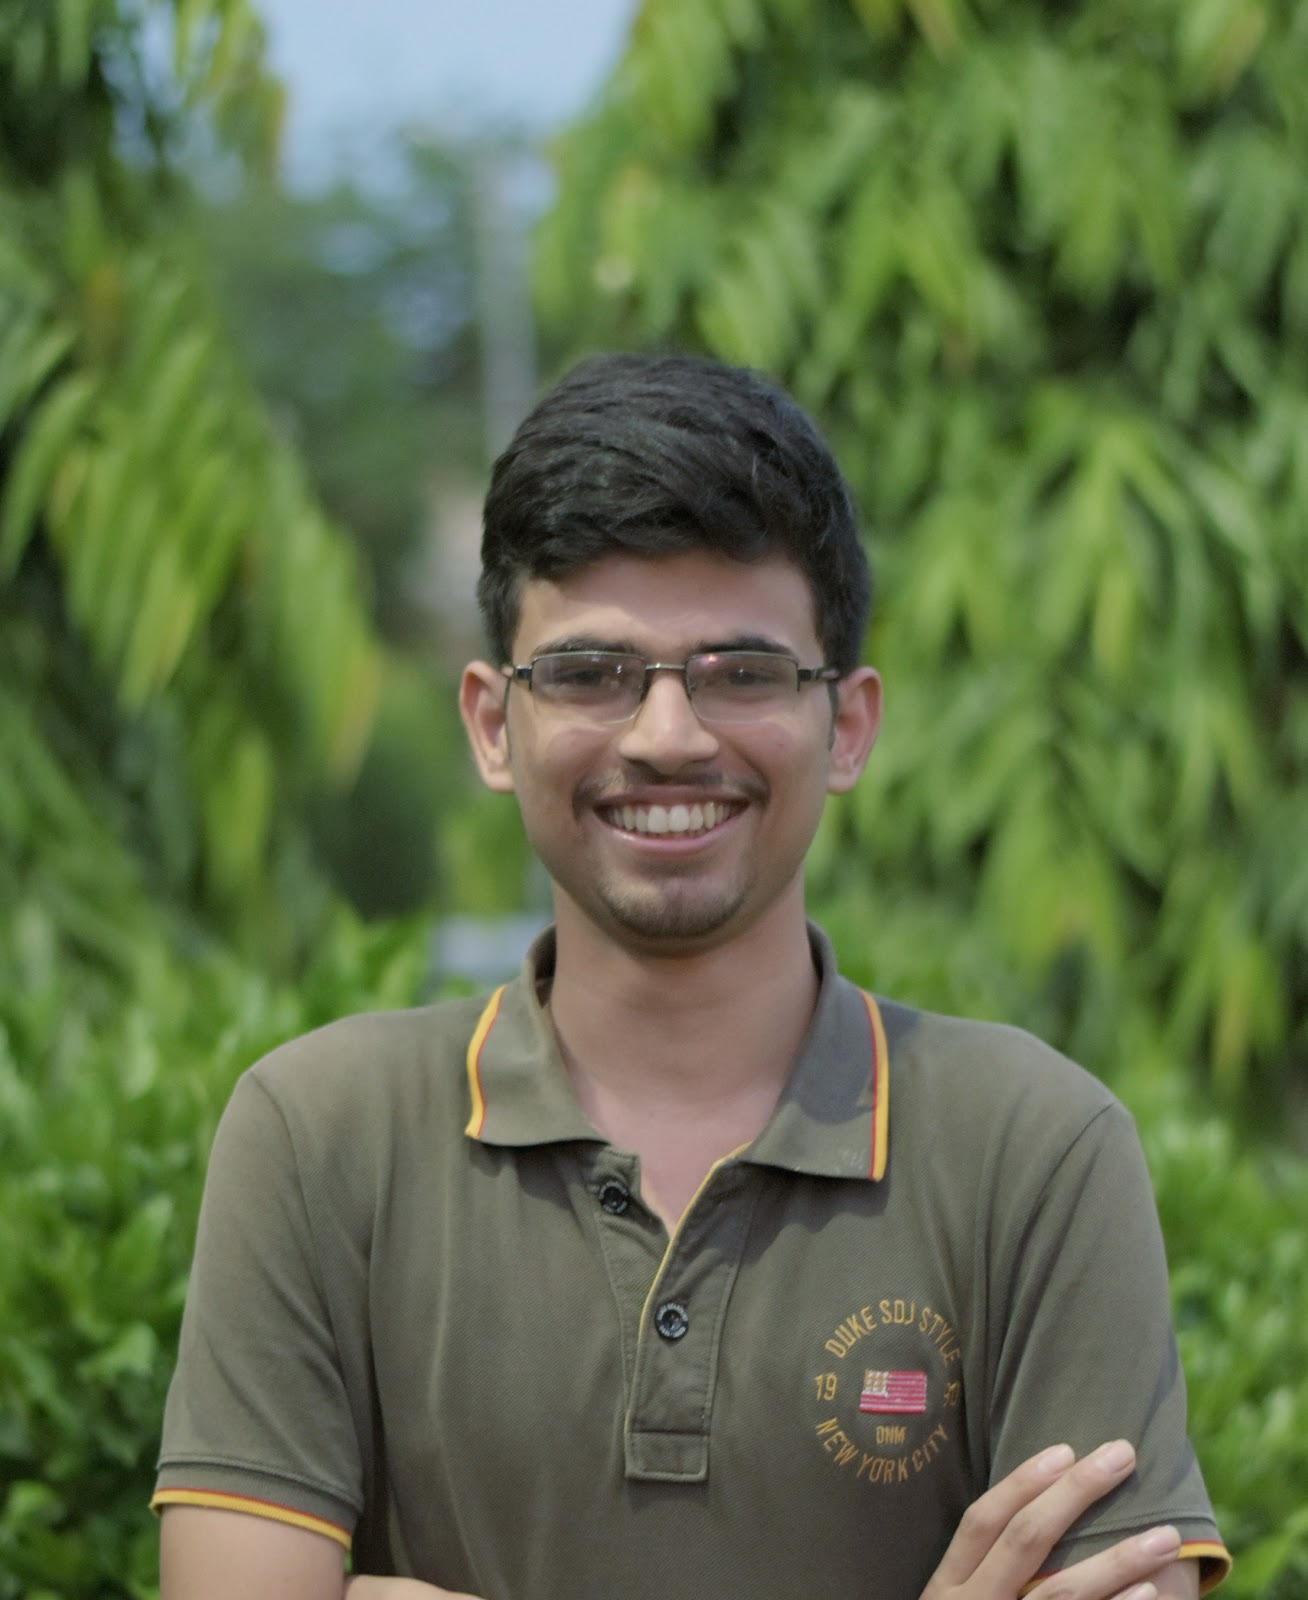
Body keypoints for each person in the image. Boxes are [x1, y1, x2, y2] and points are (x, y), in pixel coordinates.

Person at [154, 354, 1230, 1600]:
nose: (667, 736)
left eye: (744, 673)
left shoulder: (1034, 1151)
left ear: (849, 725)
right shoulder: (321, 1135)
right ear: (494, 724)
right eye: (590, 673)